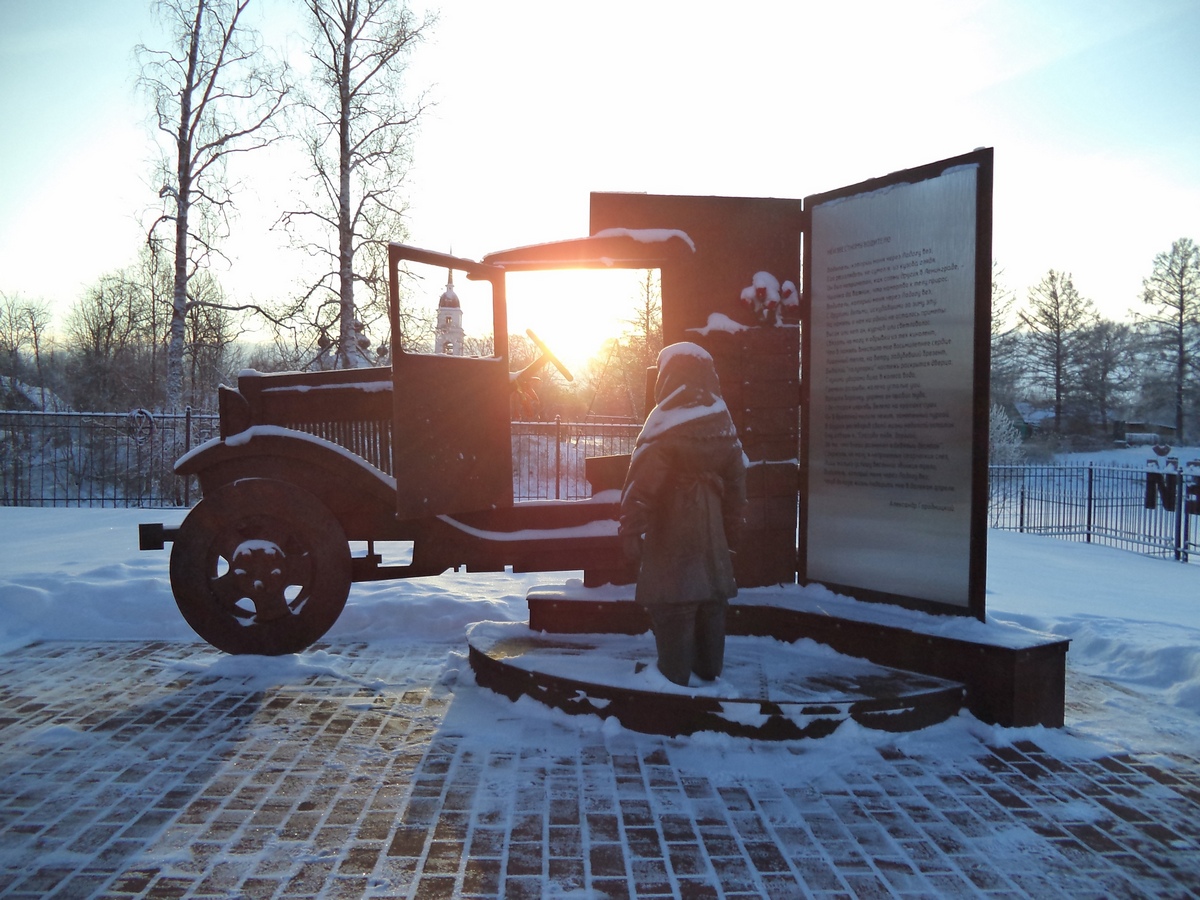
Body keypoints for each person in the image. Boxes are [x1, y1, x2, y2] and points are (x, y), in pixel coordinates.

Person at [619, 342, 748, 687]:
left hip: (672, 535)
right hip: (712, 539)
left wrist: (630, 529)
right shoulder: (723, 423)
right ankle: (709, 668)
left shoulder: (664, 425)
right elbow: (737, 485)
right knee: (711, 603)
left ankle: (672, 677)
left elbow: (641, 486)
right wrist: (732, 531)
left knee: (674, 602)